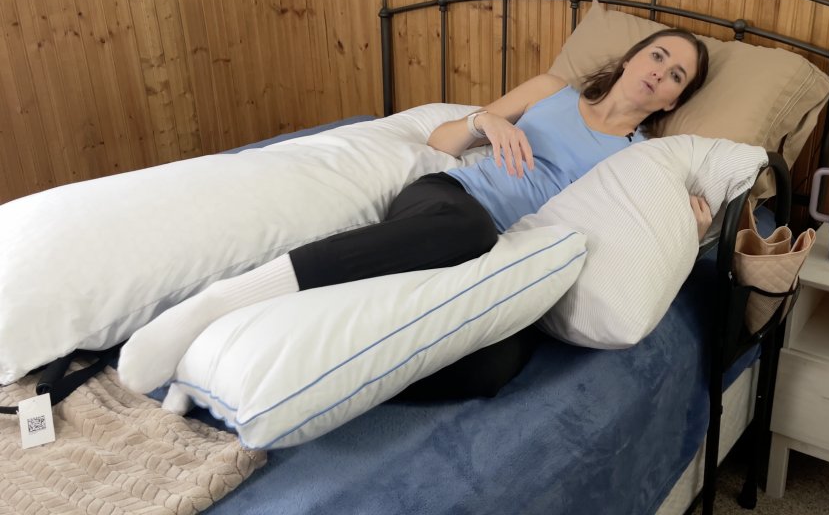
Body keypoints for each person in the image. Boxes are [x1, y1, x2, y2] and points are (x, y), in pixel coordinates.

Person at [117, 28, 712, 395]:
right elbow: (440, 143)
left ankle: (268, 366)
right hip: (452, 206)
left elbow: (641, 236)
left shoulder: (646, 159)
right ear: (633, 59)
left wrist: (688, 228)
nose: (659, 72)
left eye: (675, 75)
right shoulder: (552, 89)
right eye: (656, 56)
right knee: (465, 228)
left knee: (494, 367)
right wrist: (485, 119)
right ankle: (223, 301)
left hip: (503, 256)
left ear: (674, 98)